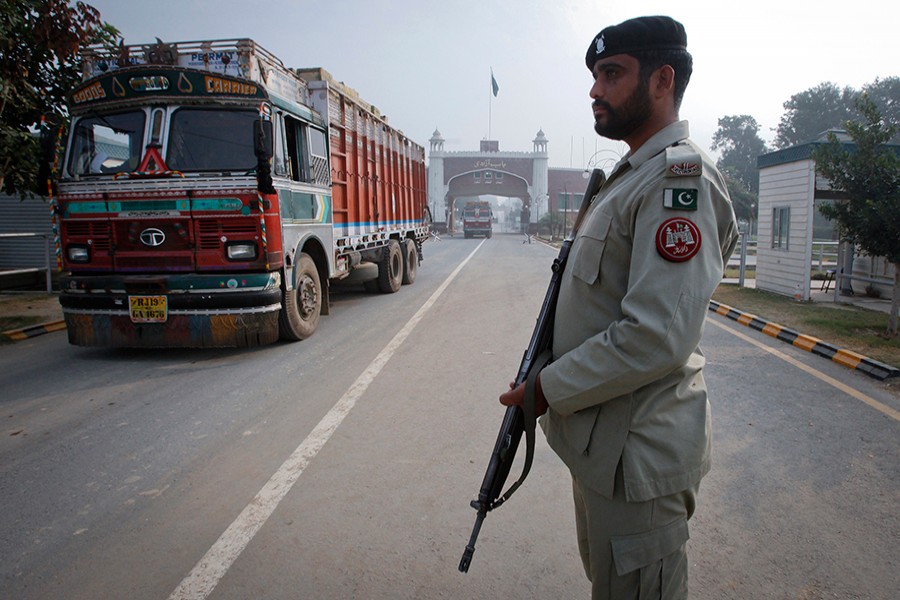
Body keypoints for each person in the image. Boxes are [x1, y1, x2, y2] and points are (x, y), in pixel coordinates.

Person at [499, 15, 739, 599]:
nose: (594, 90)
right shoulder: (628, 180)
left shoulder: (677, 180)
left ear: (661, 80)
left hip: (639, 457)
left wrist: (548, 388)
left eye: (611, 74)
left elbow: (657, 335)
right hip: (605, 451)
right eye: (594, 75)